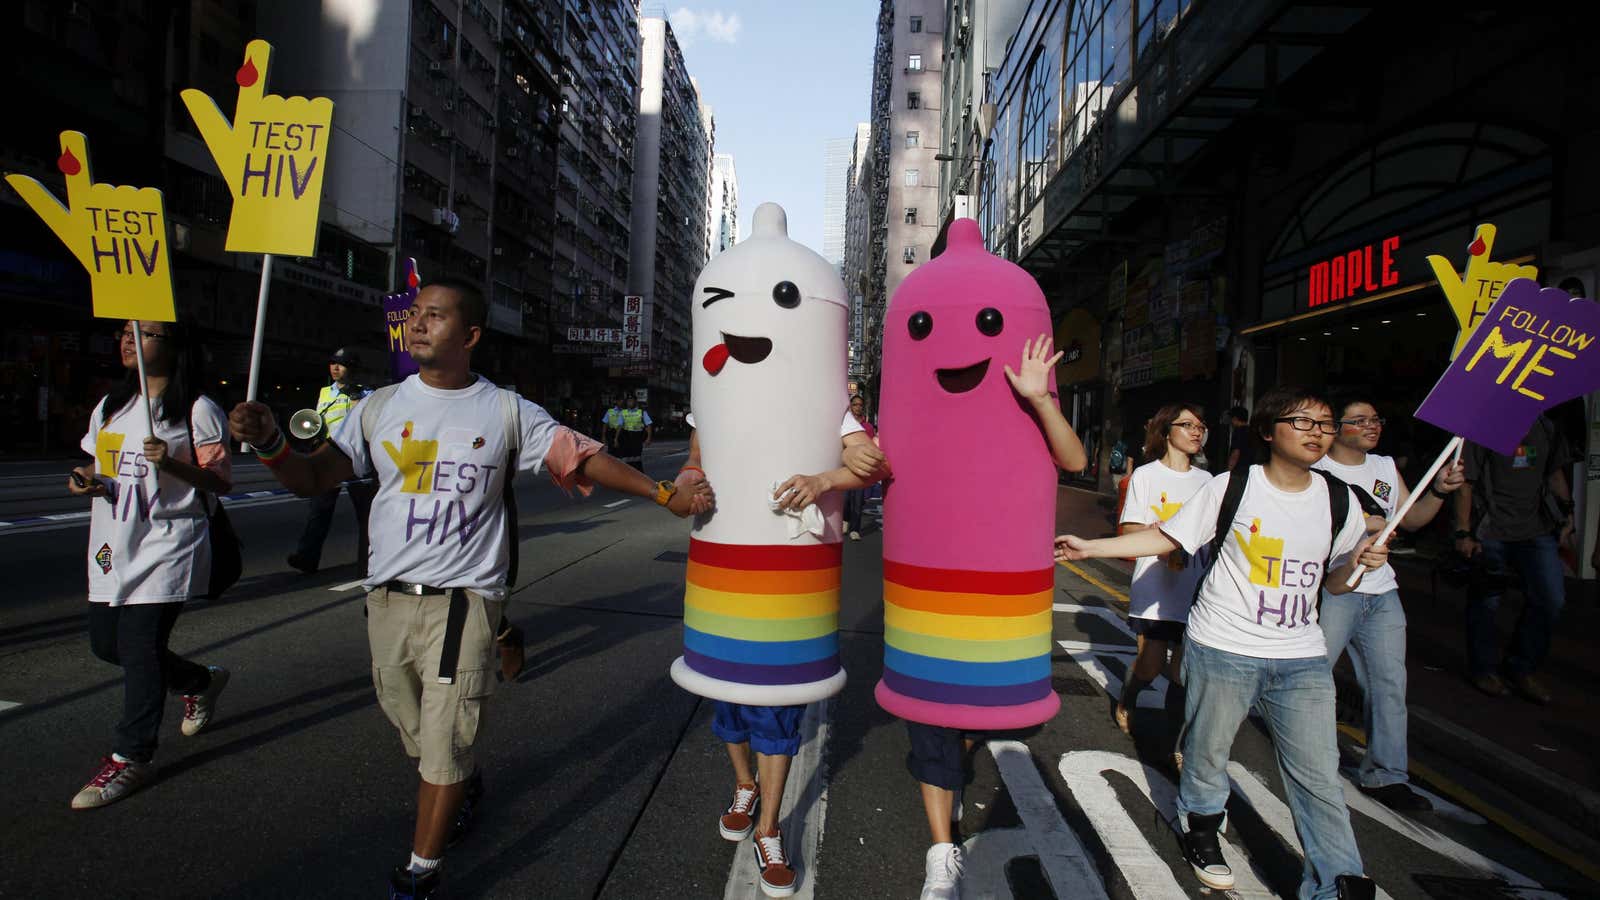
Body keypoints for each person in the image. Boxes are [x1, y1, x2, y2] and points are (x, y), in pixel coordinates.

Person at [227, 278, 711, 900]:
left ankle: (420, 872)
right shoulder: (376, 407)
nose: (418, 324)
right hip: (387, 597)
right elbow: (315, 477)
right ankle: (462, 778)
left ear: (471, 336)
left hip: (464, 601)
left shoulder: (505, 410)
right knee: (408, 719)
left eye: (436, 315)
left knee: (444, 743)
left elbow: (581, 457)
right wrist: (270, 442)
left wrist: (664, 494)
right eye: (414, 315)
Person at [1057, 386, 1388, 900]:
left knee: (1319, 776)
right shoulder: (1232, 488)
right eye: (1302, 422)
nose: (1316, 433)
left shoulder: (1338, 500)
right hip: (1224, 647)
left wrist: (1359, 564)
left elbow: (1335, 582)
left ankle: (1336, 878)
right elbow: (1168, 539)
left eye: (1324, 425)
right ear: (1267, 431)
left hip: (1301, 657)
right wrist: (1091, 547)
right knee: (1207, 754)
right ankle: (1201, 825)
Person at [676, 410, 886, 898]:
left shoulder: (823, 394)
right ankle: (744, 783)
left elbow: (871, 463)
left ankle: (769, 829)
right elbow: (695, 458)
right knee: (726, 698)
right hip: (725, 569)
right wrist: (684, 484)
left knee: (777, 711)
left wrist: (826, 476)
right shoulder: (717, 389)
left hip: (790, 580)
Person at [908, 336, 1088, 900]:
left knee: (969, 722)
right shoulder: (920, 413)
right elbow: (876, 462)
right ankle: (942, 852)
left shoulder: (1019, 420)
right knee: (932, 723)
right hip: (928, 597)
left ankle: (953, 772)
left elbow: (1076, 460)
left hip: (993, 602)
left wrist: (1040, 399)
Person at [66, 320, 234, 810]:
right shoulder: (110, 406)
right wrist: (85, 480)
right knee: (106, 645)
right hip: (113, 541)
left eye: (147, 334)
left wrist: (173, 464)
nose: (129, 340)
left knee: (140, 646)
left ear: (175, 347)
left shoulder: (198, 410)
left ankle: (131, 756)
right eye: (126, 332)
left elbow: (220, 481)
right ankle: (200, 681)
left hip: (167, 542)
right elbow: (93, 462)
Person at [1313, 396, 1462, 812]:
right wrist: (1363, 523)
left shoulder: (1383, 467)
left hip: (1381, 591)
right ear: (1336, 427)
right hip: (1334, 587)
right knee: (1311, 676)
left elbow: (1412, 520)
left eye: (1375, 418)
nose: (1371, 425)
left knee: (1389, 683)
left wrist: (1438, 490)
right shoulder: (1317, 470)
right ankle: (1304, 753)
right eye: (1359, 420)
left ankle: (1386, 775)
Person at [1453, 415, 1574, 704]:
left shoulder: (1547, 427)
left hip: (1536, 529)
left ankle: (1521, 667)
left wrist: (1568, 514)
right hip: (1490, 528)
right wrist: (1463, 531)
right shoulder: (1483, 427)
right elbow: (1465, 482)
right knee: (1486, 599)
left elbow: (1555, 474)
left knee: (1551, 599)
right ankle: (1482, 669)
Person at [1114, 403, 1211, 750]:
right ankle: (1129, 697)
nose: (1196, 431)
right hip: (1155, 586)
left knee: (1183, 672)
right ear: (1166, 431)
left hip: (1195, 589)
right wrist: (1163, 539)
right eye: (1187, 424)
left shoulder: (1208, 481)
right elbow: (1128, 530)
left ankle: (1178, 746)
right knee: (1151, 665)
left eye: (1200, 426)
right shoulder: (1146, 476)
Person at [287, 347, 377, 574]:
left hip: (357, 460)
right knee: (319, 510)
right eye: (333, 363)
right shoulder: (325, 393)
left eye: (342, 364)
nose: (336, 368)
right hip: (329, 457)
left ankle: (370, 562)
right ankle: (307, 557)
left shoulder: (367, 394)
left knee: (366, 515)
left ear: (353, 368)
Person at [843, 394, 878, 541]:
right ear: (850, 406)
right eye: (855, 404)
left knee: (857, 499)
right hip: (844, 466)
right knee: (845, 498)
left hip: (861, 468)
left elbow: (871, 446)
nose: (858, 407)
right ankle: (845, 520)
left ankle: (855, 529)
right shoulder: (844, 424)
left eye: (860, 405)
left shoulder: (868, 427)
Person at [613, 394, 653, 471]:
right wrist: (616, 438)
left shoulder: (641, 412)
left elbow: (649, 425)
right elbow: (620, 426)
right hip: (625, 436)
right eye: (628, 401)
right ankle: (626, 474)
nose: (630, 403)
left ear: (635, 401)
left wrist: (648, 438)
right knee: (625, 457)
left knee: (636, 458)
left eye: (631, 401)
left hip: (637, 437)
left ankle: (638, 474)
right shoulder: (623, 412)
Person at [1225, 405, 1254, 473]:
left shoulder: (1238, 432)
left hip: (1239, 470)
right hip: (1250, 469)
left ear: (1235, 419)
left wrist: (1228, 471)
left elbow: (1235, 453)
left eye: (1231, 419)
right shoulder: (1252, 431)